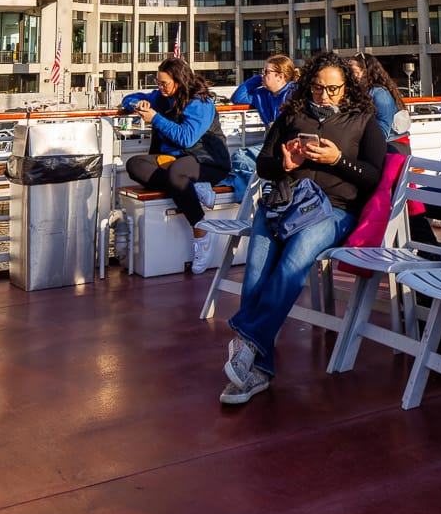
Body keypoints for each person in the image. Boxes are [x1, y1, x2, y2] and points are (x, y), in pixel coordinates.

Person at [221, 51, 388, 405]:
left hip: (334, 209)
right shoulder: (291, 115)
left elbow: (373, 176)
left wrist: (338, 161)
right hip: (285, 202)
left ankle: (246, 341)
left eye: (333, 90)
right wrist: (284, 163)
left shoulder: (364, 121)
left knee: (296, 259)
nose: (324, 96)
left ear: (346, 88)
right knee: (256, 270)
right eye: (317, 88)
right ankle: (256, 369)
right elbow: (264, 165)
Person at [122, 57, 229, 273]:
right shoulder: (161, 96)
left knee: (177, 173)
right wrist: (137, 104)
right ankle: (194, 187)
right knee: (135, 164)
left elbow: (187, 138)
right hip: (176, 161)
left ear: (179, 82)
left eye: (164, 83)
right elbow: (130, 98)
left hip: (207, 161)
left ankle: (201, 234)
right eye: (157, 82)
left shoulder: (200, 102)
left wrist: (155, 118)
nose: (159, 87)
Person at [350, 50, 410, 140]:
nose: (349, 75)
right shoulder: (362, 92)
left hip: (392, 145)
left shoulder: (380, 94)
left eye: (353, 71)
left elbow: (383, 130)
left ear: (365, 72)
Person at [230, 54, 297, 128]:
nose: (262, 75)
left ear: (280, 77)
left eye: (266, 72)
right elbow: (238, 98)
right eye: (262, 72)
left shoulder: (294, 94)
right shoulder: (261, 94)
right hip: (273, 136)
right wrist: (258, 79)